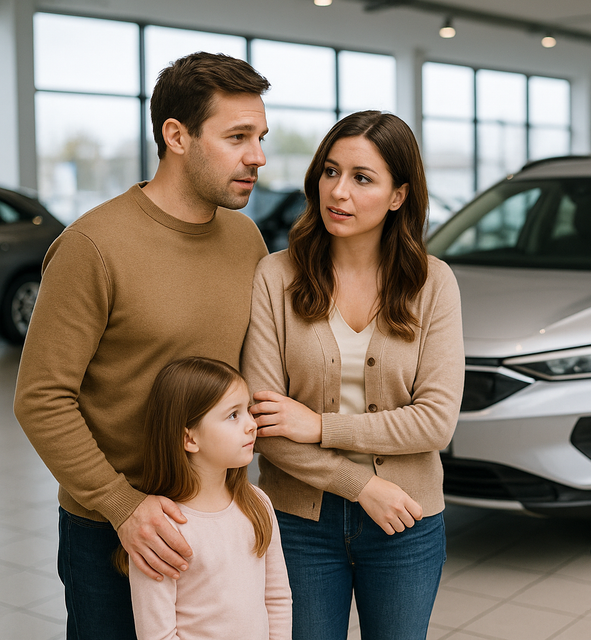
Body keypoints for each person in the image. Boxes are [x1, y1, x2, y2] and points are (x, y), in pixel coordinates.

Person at [14, 52, 270, 640]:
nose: (257, 156)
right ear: (176, 136)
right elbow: (41, 398)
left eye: (259, 136)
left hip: (216, 512)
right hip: (112, 527)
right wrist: (121, 505)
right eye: (236, 137)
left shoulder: (244, 236)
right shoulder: (92, 246)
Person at [241, 110, 464, 640]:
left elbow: (435, 423)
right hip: (299, 523)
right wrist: (361, 485)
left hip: (406, 522)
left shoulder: (433, 284)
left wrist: (318, 426)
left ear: (398, 195)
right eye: (330, 171)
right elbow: (267, 424)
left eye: (362, 178)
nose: (338, 191)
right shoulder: (276, 276)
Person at [123, 357, 291, 639]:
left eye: (247, 411)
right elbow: (158, 634)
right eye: (233, 415)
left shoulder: (258, 504)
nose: (251, 424)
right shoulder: (161, 530)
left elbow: (277, 598)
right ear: (190, 439)